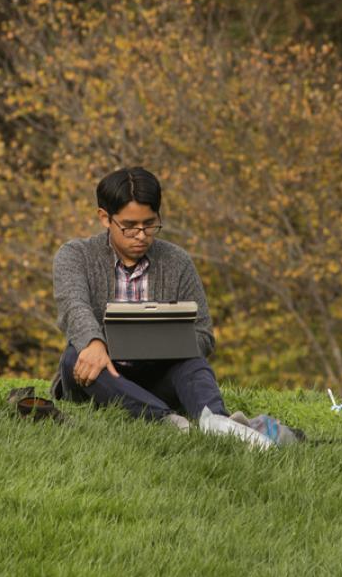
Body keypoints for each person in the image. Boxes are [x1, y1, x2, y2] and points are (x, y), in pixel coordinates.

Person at [51, 167, 246, 436]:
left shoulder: (177, 261)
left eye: (150, 224)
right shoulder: (76, 255)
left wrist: (171, 346)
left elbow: (203, 334)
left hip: (158, 376)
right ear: (105, 218)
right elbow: (73, 307)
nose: (142, 235)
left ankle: (218, 422)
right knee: (76, 355)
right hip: (101, 376)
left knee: (194, 364)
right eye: (130, 226)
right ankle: (165, 420)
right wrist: (94, 342)